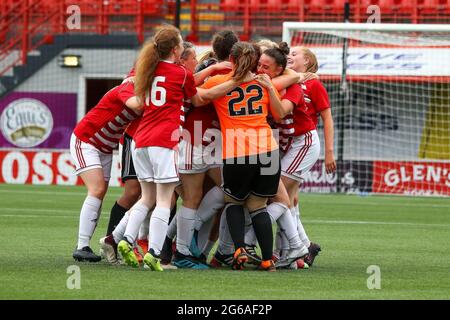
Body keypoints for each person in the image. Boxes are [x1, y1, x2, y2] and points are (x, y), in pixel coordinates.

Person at [116, 25, 253, 271]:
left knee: (147, 198)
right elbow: (200, 98)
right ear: (177, 48)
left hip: (140, 139)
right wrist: (235, 82)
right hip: (163, 140)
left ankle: (126, 239)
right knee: (164, 200)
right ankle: (155, 254)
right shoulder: (180, 74)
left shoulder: (148, 68)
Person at [199, 41, 288, 271]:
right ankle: (268, 259)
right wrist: (270, 87)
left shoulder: (220, 82)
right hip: (268, 151)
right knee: (258, 205)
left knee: (234, 202)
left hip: (238, 152)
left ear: (231, 59)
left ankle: (238, 249)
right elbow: (278, 115)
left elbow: (196, 97)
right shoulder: (264, 82)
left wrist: (211, 70)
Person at [70, 77, 143, 262]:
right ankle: (81, 246)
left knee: (99, 193)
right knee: (97, 189)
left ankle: (84, 246)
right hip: (86, 140)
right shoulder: (128, 86)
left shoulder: (139, 86)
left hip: (105, 147)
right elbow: (135, 104)